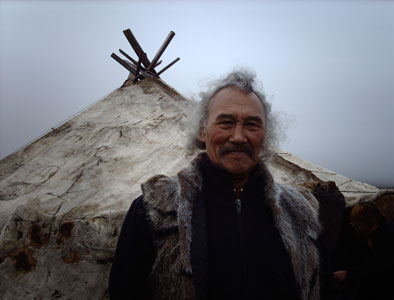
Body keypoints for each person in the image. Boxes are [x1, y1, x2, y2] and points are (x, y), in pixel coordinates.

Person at [109, 70, 326, 300]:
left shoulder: (300, 211)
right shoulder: (154, 209)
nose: (239, 136)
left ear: (265, 134)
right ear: (203, 131)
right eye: (226, 122)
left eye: (252, 125)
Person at [333, 197, 394, 300]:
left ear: (370, 222)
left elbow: (379, 266)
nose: (356, 229)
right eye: (353, 225)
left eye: (359, 226)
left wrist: (349, 274)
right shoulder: (370, 235)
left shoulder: (387, 236)